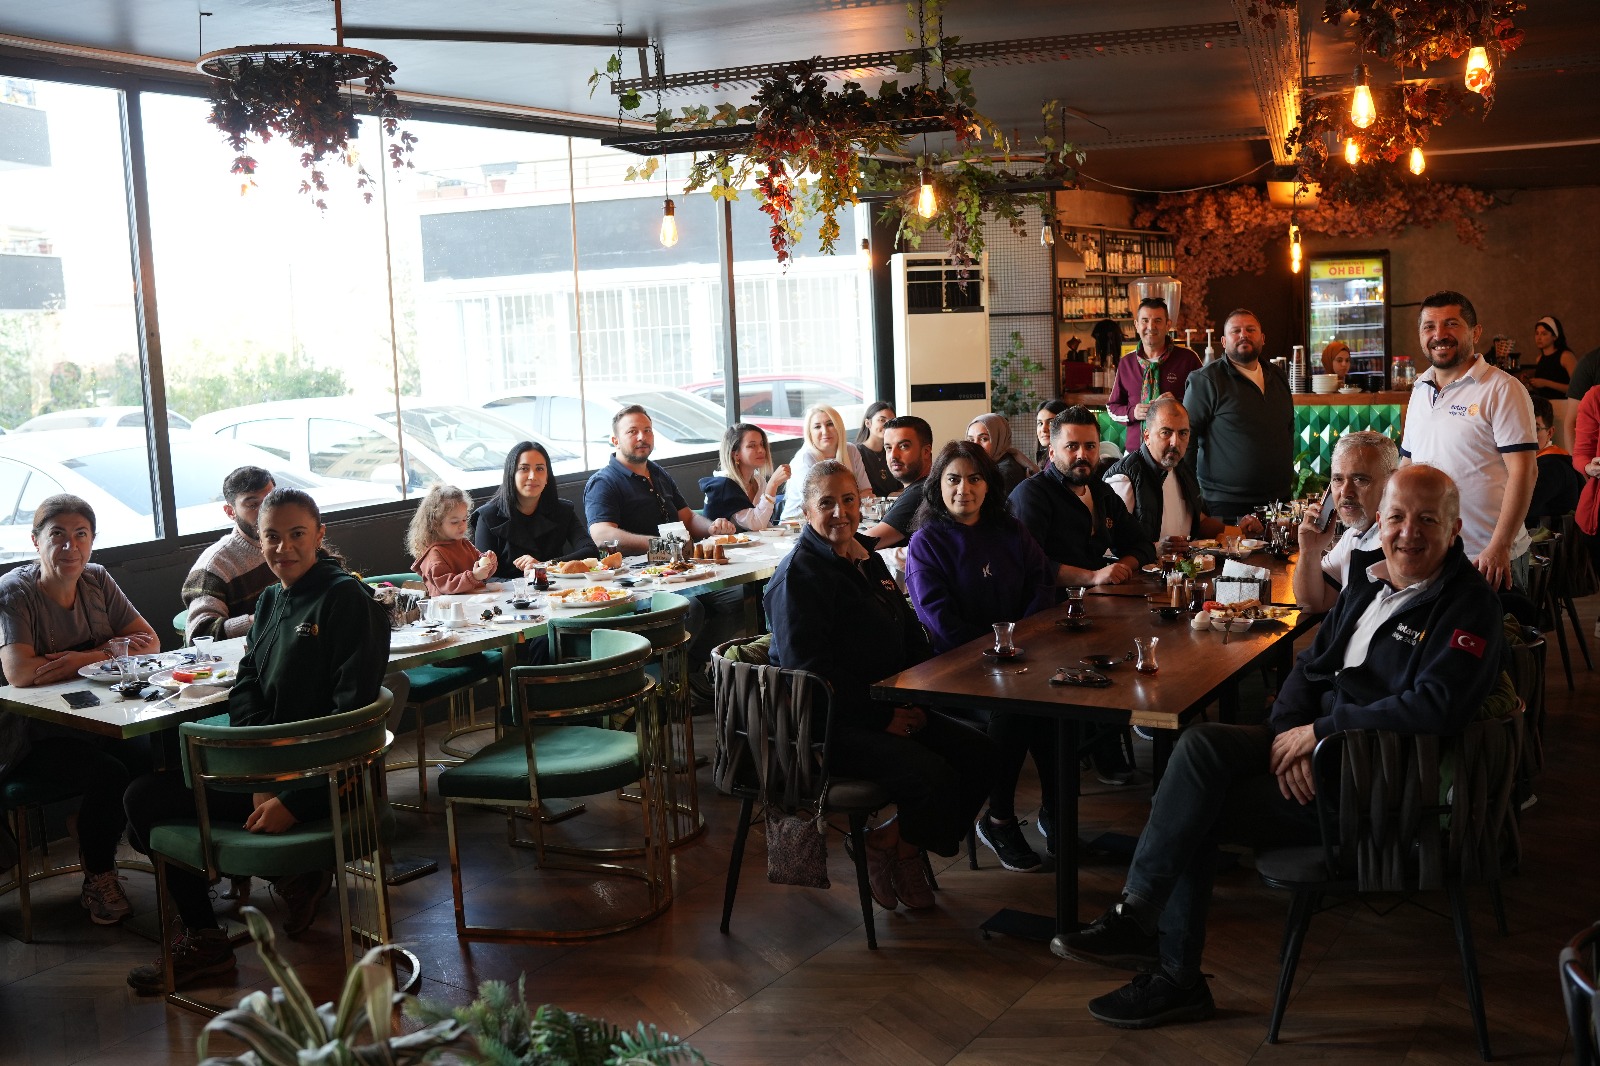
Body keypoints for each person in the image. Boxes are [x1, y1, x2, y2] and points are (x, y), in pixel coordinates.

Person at [1060, 465, 1506, 1029]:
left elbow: (1437, 706)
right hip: (1319, 748)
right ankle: (1137, 915)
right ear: (1381, 519)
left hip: (1376, 785)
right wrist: (1289, 733)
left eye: (1427, 520)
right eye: (1396, 516)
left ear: (1455, 528)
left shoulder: (1470, 605)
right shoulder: (1369, 579)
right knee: (1198, 748)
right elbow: (1312, 666)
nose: (1408, 532)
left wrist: (1321, 735)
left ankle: (1174, 975)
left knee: (1194, 809)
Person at [122, 487, 391, 994]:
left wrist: (293, 798)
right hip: (268, 771)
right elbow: (246, 685)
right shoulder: (270, 600)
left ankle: (212, 935)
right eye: (272, 537)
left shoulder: (347, 600)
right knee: (142, 807)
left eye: (296, 534)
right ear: (258, 540)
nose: (283, 548)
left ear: (319, 535)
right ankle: (282, 885)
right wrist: (257, 772)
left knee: (146, 803)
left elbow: (352, 720)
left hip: (326, 780)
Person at [765, 460, 995, 910]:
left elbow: (909, 634)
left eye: (848, 500)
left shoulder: (864, 557)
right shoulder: (799, 577)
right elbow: (810, 677)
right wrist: (881, 717)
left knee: (983, 754)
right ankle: (903, 854)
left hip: (887, 706)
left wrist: (922, 698)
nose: (840, 512)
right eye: (826, 503)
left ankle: (889, 842)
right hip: (827, 728)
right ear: (806, 512)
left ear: (861, 504)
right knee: (932, 775)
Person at [0, 494, 160, 926]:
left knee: (151, 755)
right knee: (108, 773)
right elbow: (19, 672)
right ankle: (99, 876)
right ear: (36, 541)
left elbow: (150, 641)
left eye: (81, 535)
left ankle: (114, 837)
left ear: (92, 540)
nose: (70, 547)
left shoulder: (97, 579)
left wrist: (78, 659)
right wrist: (108, 651)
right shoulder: (15, 591)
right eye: (58, 535)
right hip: (31, 735)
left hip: (97, 721)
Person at [903, 442, 1056, 872]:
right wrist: (998, 649)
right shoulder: (926, 542)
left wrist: (1018, 640)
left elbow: (1042, 584)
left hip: (1021, 658)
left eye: (974, 479)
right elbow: (940, 622)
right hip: (956, 672)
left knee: (1059, 703)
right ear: (938, 486)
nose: (964, 489)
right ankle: (999, 819)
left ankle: (1056, 813)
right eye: (953, 479)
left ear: (989, 485)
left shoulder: (1011, 530)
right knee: (1015, 710)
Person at [584, 405, 743, 697]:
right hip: (638, 580)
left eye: (647, 430)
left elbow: (688, 518)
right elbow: (601, 534)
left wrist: (712, 527)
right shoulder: (604, 481)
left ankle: (690, 671)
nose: (642, 437)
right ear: (615, 440)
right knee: (687, 609)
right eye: (633, 431)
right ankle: (662, 689)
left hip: (679, 570)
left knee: (739, 596)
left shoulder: (657, 473)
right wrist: (660, 546)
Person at [1400, 290, 1537, 592]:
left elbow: (1525, 471)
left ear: (1475, 332)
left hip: (1488, 558)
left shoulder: (1502, 389)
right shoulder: (1419, 389)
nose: (1439, 335)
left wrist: (1500, 545)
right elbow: (1407, 466)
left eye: (1451, 324)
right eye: (1429, 326)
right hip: (1431, 554)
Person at [1009, 406, 1155, 588]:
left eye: (1090, 446)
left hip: (1100, 598)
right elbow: (1025, 563)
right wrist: (1092, 577)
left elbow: (1143, 545)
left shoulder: (1103, 493)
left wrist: (1120, 569)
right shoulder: (1031, 495)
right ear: (1052, 453)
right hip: (1049, 602)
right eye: (1072, 446)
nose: (1082, 455)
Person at [1183, 308, 1295, 522]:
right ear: (1224, 342)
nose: (1244, 335)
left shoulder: (1278, 376)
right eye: (1236, 331)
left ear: (1263, 339)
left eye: (1250, 330)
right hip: (1226, 504)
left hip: (1279, 500)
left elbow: (1288, 429)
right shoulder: (1206, 380)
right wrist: (1191, 497)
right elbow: (1186, 440)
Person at [1291, 430, 1399, 614]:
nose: (1345, 492)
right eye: (1338, 479)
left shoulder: (1399, 543)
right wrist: (1310, 551)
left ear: (1392, 481)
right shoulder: (1355, 534)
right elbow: (1312, 604)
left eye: (1360, 479)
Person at [1102, 398, 1227, 547]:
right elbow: (1109, 544)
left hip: (1186, 561)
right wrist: (1157, 549)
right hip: (1145, 563)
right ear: (1147, 436)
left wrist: (1239, 532)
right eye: (1166, 432)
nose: (1175, 442)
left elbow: (1200, 521)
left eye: (1183, 433)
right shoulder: (1123, 479)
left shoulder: (1183, 471)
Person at [471, 441, 595, 578]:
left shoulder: (562, 510)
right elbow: (484, 577)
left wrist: (544, 566)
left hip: (555, 588)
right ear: (511, 474)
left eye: (540, 469)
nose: (532, 476)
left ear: (547, 477)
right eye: (524, 468)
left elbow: (590, 550)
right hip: (507, 590)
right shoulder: (488, 516)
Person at [181, 465, 276, 641]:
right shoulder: (214, 566)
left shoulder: (296, 540)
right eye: (253, 505)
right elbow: (200, 634)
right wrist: (262, 620)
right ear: (230, 512)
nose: (266, 512)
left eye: (270, 500)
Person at [1107, 298, 1203, 454]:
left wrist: (1177, 404)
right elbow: (1112, 407)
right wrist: (1133, 412)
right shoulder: (1126, 362)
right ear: (1136, 325)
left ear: (1168, 325)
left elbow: (1205, 404)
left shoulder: (1188, 359)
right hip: (1135, 453)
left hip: (1177, 452)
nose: (1151, 327)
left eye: (1158, 321)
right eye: (1145, 321)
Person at [778, 404, 874, 522]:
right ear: (809, 433)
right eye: (817, 427)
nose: (825, 431)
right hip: (797, 525)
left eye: (830, 424)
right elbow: (818, 504)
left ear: (839, 427)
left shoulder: (851, 450)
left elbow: (866, 493)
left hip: (837, 519)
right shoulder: (804, 459)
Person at [407, 483, 496, 597]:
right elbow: (446, 585)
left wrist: (488, 563)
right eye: (454, 522)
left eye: (464, 519)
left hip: (473, 601)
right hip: (449, 606)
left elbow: (480, 571)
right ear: (436, 524)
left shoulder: (464, 543)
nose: (462, 525)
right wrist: (474, 576)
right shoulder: (435, 554)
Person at [699, 423, 791, 532]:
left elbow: (765, 525)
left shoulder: (758, 480)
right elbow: (756, 524)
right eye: (752, 446)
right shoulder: (724, 485)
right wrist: (773, 485)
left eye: (762, 444)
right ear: (735, 454)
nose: (761, 450)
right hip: (720, 543)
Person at [862, 415, 934, 550]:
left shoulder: (921, 492)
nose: (893, 455)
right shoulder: (922, 486)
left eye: (903, 446)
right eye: (888, 448)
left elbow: (863, 543)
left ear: (926, 452)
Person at [1527, 395, 1583, 526]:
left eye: (1535, 429)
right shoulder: (1544, 461)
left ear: (1550, 433)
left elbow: (1518, 510)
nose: (1526, 435)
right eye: (1520, 427)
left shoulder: (1551, 466)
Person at [967, 412, 1038, 494]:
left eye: (984, 439)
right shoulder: (986, 466)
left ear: (999, 440)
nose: (975, 445)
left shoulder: (1005, 473)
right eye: (971, 440)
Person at [855, 401, 900, 498]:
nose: (887, 425)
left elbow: (903, 485)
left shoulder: (893, 452)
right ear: (868, 423)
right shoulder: (856, 453)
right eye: (882, 420)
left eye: (891, 421)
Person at [1527, 315, 1576, 401]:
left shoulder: (1566, 356)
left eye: (1544, 334)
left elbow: (1577, 387)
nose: (1539, 338)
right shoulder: (1539, 359)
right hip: (1545, 405)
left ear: (1554, 336)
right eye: (1537, 333)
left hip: (1563, 404)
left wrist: (1546, 383)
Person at [1034, 398, 1068, 466]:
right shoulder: (1045, 457)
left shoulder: (1065, 461)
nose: (1043, 429)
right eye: (1040, 423)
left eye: (1051, 422)